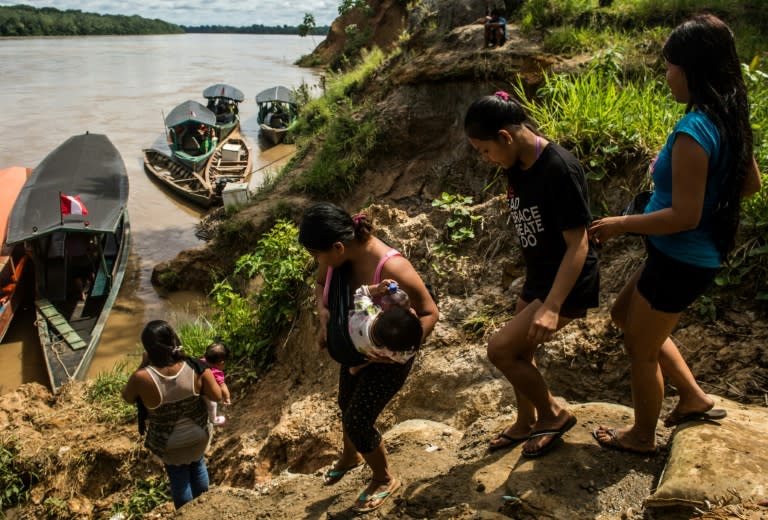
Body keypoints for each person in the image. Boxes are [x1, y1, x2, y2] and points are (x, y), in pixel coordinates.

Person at [588, 14, 761, 454]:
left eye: (670, 66)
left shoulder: (694, 130)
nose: (666, 75)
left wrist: (621, 224)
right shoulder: (728, 119)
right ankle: (694, 397)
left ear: (692, 69)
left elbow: (683, 215)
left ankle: (642, 436)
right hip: (680, 256)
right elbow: (750, 183)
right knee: (624, 315)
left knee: (639, 349)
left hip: (682, 257)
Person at [464, 91, 600, 457]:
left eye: (484, 150)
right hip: (540, 275)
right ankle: (526, 422)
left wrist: (552, 306)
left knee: (501, 351)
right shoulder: (516, 165)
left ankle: (553, 414)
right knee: (522, 352)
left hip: (567, 282)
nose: (485, 159)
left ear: (505, 137)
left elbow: (579, 244)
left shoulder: (559, 168)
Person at [299, 202, 439, 514]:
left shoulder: (391, 268)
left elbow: (430, 312)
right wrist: (322, 313)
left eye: (315, 254)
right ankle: (351, 456)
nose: (316, 261)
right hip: (357, 347)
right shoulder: (336, 257)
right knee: (345, 403)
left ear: (337, 247)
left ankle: (384, 478)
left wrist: (394, 353)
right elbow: (321, 283)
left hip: (388, 355)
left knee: (358, 420)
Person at [122, 320, 222, 509]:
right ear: (174, 341)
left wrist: (142, 364)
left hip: (168, 442)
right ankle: (205, 511)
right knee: (198, 464)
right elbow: (217, 395)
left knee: (178, 477)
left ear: (148, 349)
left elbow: (127, 397)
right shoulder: (195, 367)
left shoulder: (141, 377)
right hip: (199, 435)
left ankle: (185, 513)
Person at [348, 279, 423, 376]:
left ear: (381, 312)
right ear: (393, 348)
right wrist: (416, 316)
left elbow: (360, 292)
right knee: (378, 358)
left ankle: (357, 365)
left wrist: (377, 288)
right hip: (366, 350)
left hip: (353, 336)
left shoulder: (367, 312)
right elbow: (406, 356)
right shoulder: (392, 353)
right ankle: (360, 365)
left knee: (369, 354)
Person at [200, 342, 231, 425]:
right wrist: (227, 397)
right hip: (205, 393)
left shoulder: (200, 362)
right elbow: (222, 385)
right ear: (221, 363)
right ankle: (213, 420)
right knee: (213, 405)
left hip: (196, 389)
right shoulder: (216, 372)